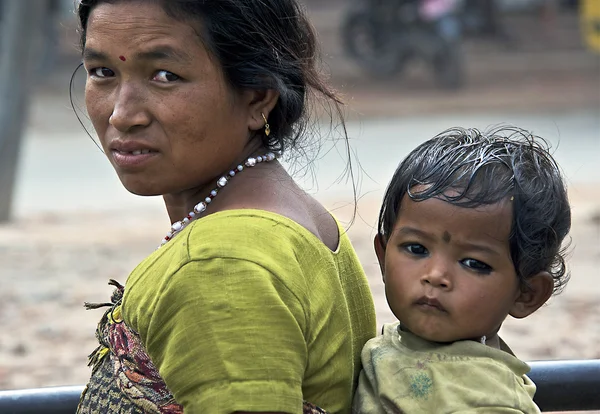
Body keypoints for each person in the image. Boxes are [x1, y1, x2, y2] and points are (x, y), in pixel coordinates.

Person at [73, 1, 377, 413]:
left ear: (257, 99)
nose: (122, 114)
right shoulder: (293, 218)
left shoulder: (219, 262)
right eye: (103, 72)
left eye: (165, 76)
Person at [353, 127, 571, 413]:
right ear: (383, 257)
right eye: (416, 249)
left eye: (474, 264)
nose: (436, 275)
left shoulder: (486, 397)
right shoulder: (395, 341)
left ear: (526, 294)